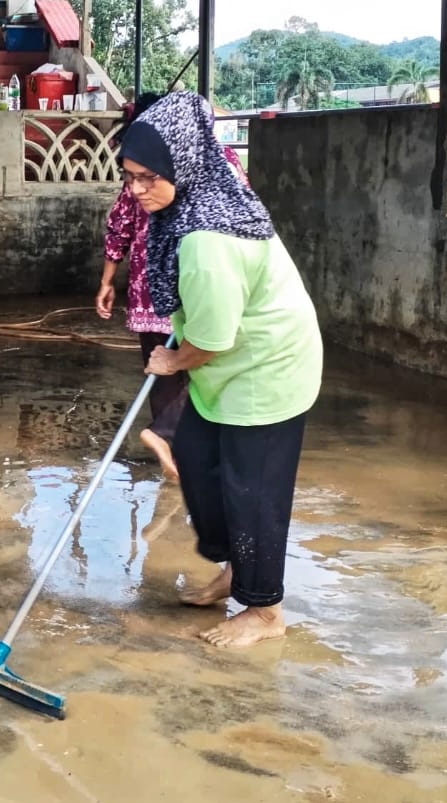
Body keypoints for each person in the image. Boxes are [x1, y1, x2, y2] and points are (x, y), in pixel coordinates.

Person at [122, 91, 322, 648]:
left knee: (252, 490)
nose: (135, 190)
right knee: (196, 458)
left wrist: (171, 359)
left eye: (145, 177)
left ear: (180, 165)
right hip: (231, 371)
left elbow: (214, 339)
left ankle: (264, 611)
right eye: (129, 176)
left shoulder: (207, 240)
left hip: (266, 369)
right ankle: (237, 569)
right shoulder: (194, 198)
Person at [97, 93, 248, 480]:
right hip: (196, 286)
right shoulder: (223, 162)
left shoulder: (148, 164)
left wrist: (108, 280)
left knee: (165, 369)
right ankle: (173, 439)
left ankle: (172, 443)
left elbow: (121, 223)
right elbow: (243, 216)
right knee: (202, 362)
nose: (138, 186)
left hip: (155, 286)